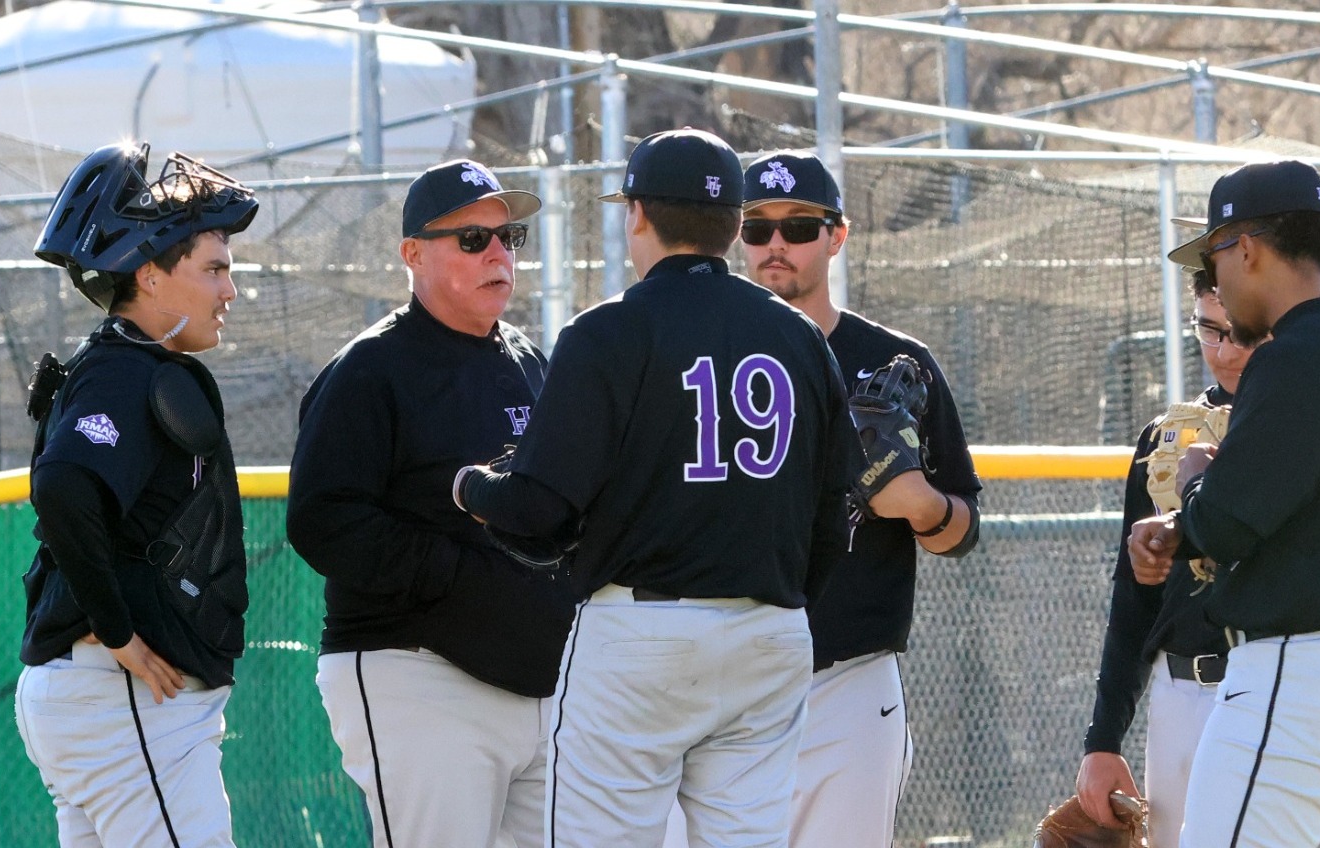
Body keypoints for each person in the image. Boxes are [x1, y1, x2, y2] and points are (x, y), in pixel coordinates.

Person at [453, 128, 860, 848]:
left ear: (637, 213)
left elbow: (538, 510)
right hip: (769, 630)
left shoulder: (607, 330)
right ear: (734, 223)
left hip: (641, 634)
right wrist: (778, 602)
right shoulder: (800, 337)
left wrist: (471, 488)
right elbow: (837, 513)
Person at [1080, 244, 1320, 845]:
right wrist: (1104, 738)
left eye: (1240, 329)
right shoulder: (1169, 436)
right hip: (1191, 688)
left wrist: (1311, 263)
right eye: (1208, 330)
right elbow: (1134, 599)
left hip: (1298, 680)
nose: (1224, 350)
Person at [1127, 159, 1320, 847]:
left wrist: (1197, 480)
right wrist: (1185, 522)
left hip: (1309, 675)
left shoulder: (1295, 353)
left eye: (1214, 257)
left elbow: (1225, 524)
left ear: (1247, 247)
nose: (1215, 281)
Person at [285, 159, 577, 848]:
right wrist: (457, 576)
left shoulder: (528, 361)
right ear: (412, 254)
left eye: (508, 237)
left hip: (536, 681)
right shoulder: (370, 369)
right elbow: (322, 519)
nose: (498, 253)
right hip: (416, 672)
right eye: (472, 239)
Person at [715, 151, 983, 848]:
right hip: (722, 677)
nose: (775, 244)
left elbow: (963, 528)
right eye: (757, 227)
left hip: (848, 680)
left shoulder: (894, 359)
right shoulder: (705, 360)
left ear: (837, 235)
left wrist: (922, 505)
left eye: (800, 226)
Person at [17, 142, 258, 847]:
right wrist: (120, 635)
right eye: (213, 269)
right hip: (125, 699)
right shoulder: (125, 371)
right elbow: (63, 489)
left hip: (100, 700)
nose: (229, 291)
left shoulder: (119, 363)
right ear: (150, 275)